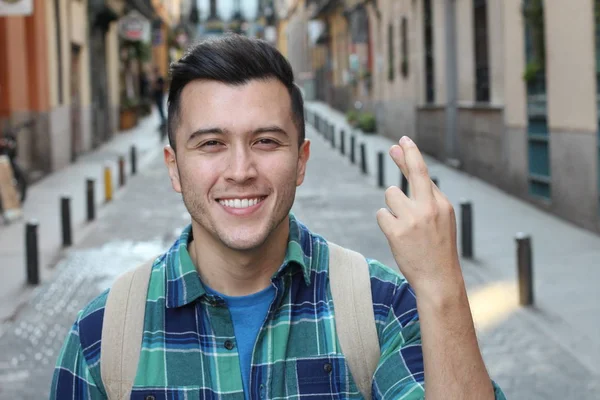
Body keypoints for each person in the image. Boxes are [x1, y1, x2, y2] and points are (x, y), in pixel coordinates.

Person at [50, 35, 505, 399]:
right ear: (174, 166)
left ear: (302, 160)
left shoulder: (381, 309)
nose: (241, 171)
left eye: (266, 141)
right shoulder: (103, 338)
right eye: (211, 144)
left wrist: (442, 286)